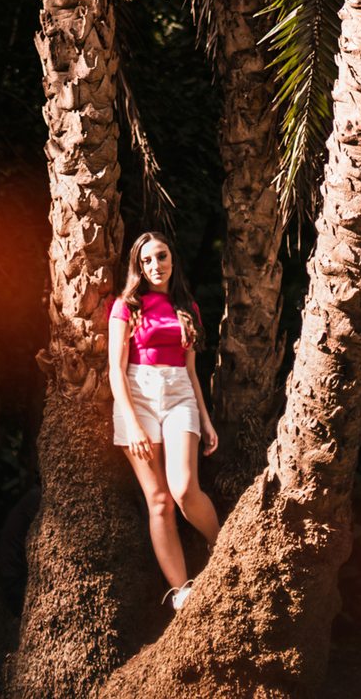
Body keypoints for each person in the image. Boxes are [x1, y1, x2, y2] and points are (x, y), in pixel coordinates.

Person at [108, 230, 220, 610]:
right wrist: (134, 424)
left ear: (173, 259)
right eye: (147, 260)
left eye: (162, 256)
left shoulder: (187, 306)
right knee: (159, 501)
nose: (155, 265)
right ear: (138, 267)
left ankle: (221, 547)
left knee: (184, 489)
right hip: (137, 397)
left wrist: (205, 421)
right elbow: (115, 370)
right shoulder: (126, 306)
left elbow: (190, 372)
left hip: (178, 397)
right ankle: (181, 590)